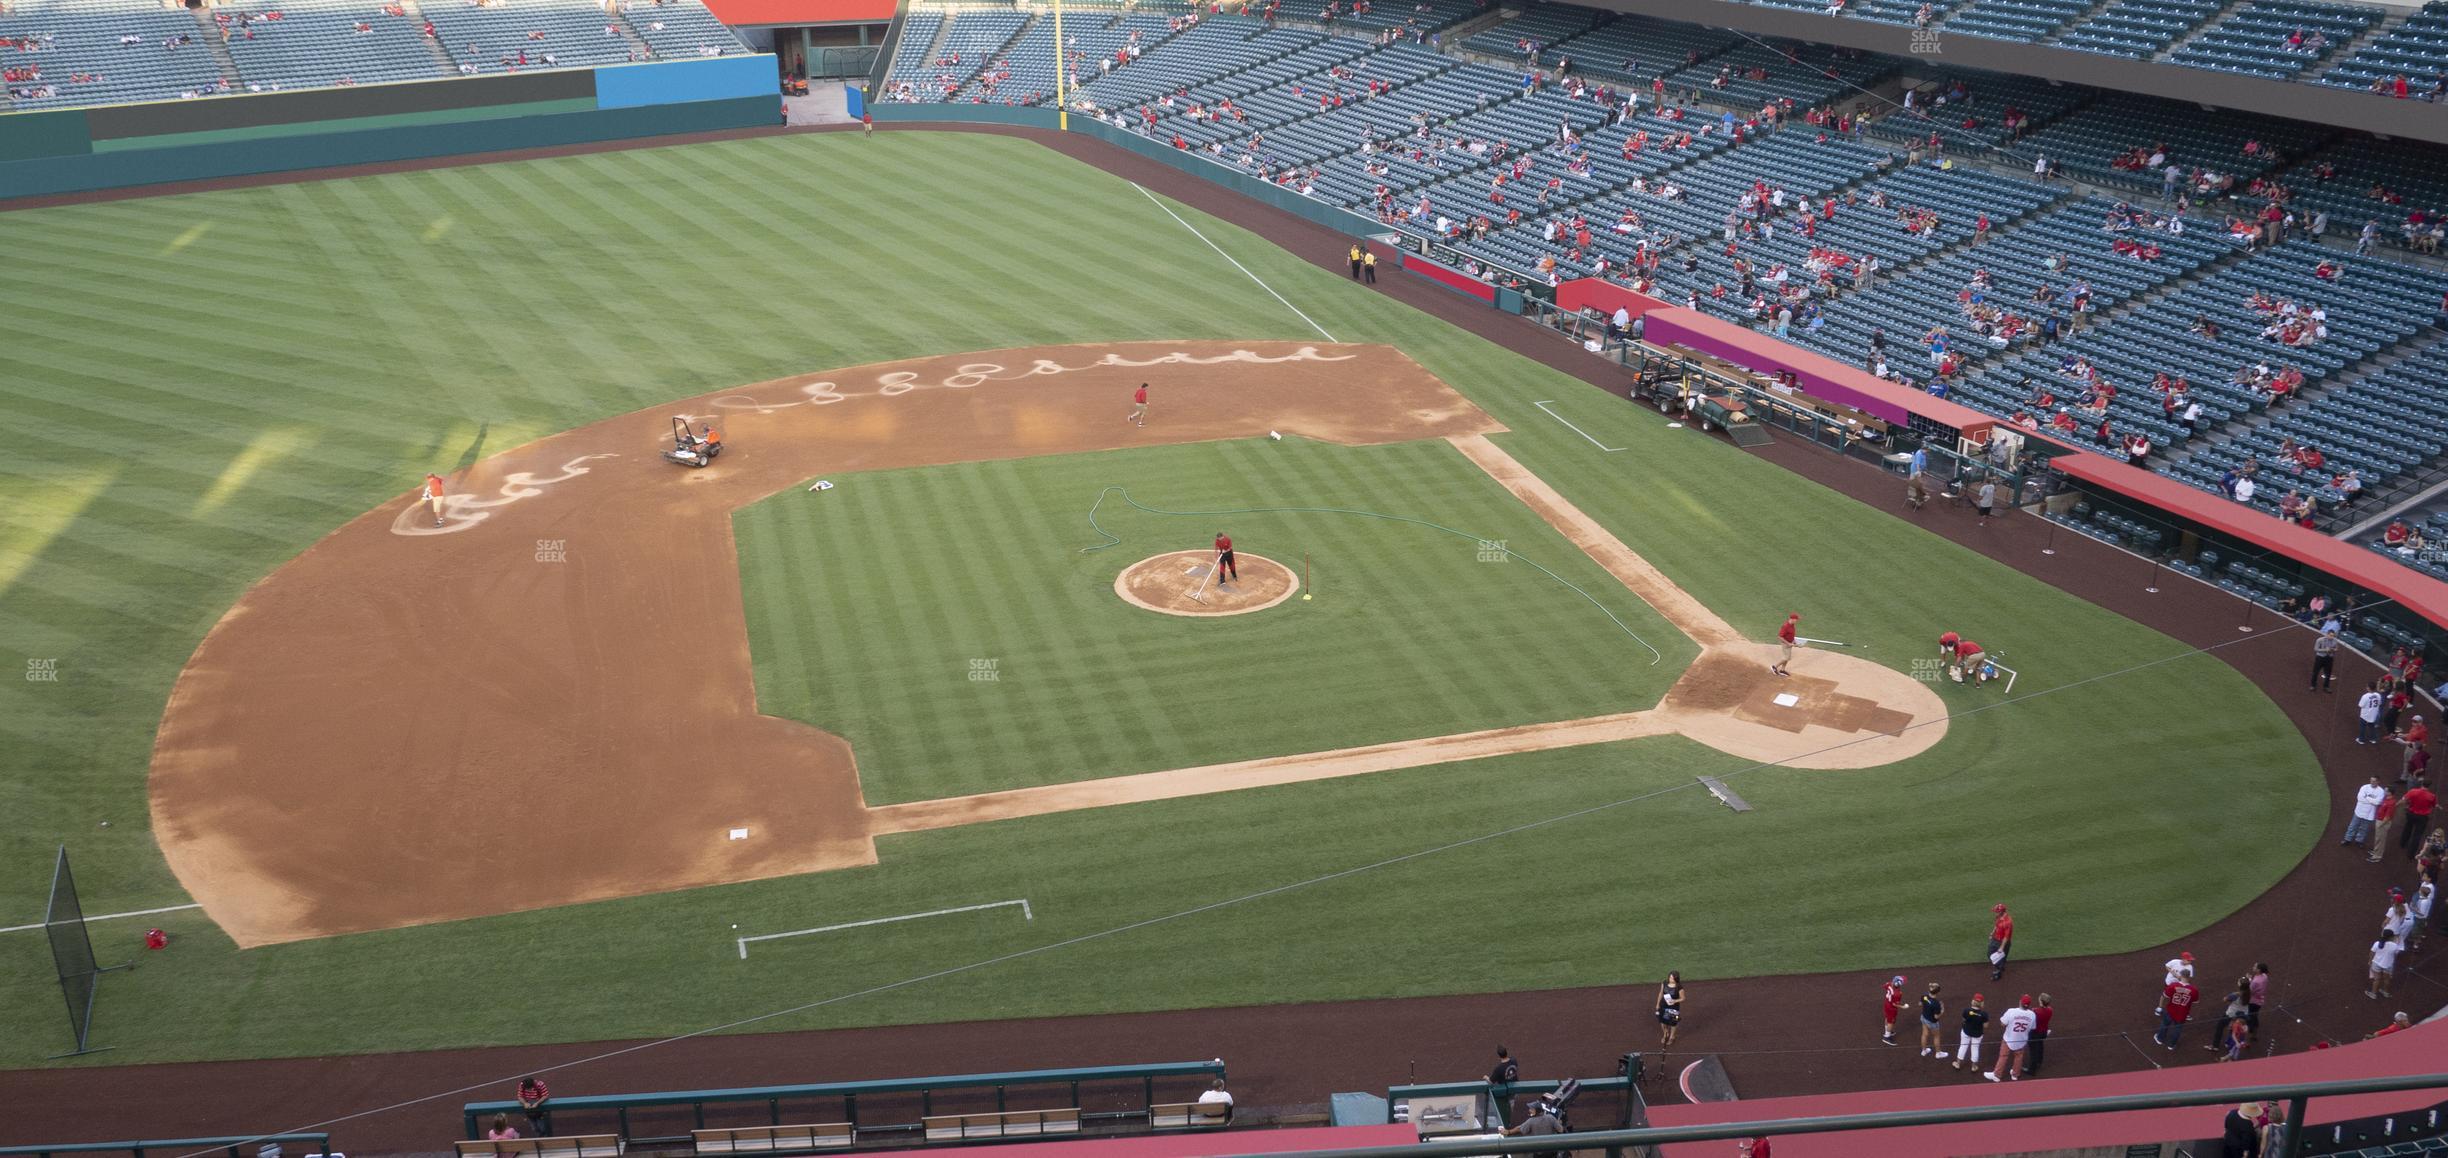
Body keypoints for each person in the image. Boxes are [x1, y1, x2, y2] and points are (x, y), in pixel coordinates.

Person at [1988, 995, 2035, 1081]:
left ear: (2020, 1002)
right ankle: (2015, 1075)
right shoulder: (2032, 1014)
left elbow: (2002, 1023)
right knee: (2019, 1057)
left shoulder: (2011, 1011)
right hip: (2022, 1040)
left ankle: (1997, 1075)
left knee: (2003, 1056)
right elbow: (2032, 1027)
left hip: (2009, 1038)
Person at [2156, 971, 2198, 1049]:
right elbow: (2195, 1001)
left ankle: (2160, 1039)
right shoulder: (2194, 990)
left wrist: (2160, 1006)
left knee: (2165, 1024)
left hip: (2171, 1011)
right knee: (2177, 1029)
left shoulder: (2173, 986)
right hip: (2183, 1013)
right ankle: (2171, 1045)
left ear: (2181, 976)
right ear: (2189, 977)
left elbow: (2164, 996)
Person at [2345, 777, 2388, 846]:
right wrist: (2372, 801)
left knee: (2364, 828)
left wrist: (2366, 797)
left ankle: (2359, 841)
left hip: (2370, 813)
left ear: (2378, 782)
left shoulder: (2381, 791)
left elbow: (2378, 802)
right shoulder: (2364, 787)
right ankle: (2347, 839)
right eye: (2371, 781)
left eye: (2374, 781)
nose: (2372, 782)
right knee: (2353, 826)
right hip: (2359, 811)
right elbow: (2359, 798)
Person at [1952, 994, 1988, 1072]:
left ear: (1973, 1001)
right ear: (1982, 1003)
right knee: (1975, 1049)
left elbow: (1963, 1020)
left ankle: (1958, 1064)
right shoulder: (1984, 1014)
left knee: (1963, 1046)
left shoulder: (1966, 1010)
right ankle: (1974, 1067)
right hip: (1977, 1034)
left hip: (1966, 1031)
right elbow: (1985, 1026)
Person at [2401, 778, 2436, 857]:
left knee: (2407, 828)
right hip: (2422, 817)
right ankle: (2411, 853)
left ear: (2422, 784)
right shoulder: (2431, 796)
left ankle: (2403, 843)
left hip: (2411, 813)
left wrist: (2407, 805)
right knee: (2417, 835)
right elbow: (2433, 805)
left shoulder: (2413, 791)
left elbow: (2404, 799)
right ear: (2429, 786)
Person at [2025, 993, 2055, 1075]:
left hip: (2035, 1032)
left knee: (2033, 1051)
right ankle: (2039, 1062)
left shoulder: (2035, 1011)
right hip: (2043, 1032)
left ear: (2041, 1001)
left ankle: (2032, 1070)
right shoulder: (2050, 1010)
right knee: (2040, 1046)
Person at [1918, 981, 1947, 1057]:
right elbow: (1936, 1017)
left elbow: (1920, 1004)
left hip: (1924, 1017)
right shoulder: (1936, 1003)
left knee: (1924, 1034)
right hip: (1932, 1022)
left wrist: (1927, 1004)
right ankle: (1938, 1053)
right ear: (1937, 992)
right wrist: (1942, 1010)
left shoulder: (1924, 996)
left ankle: (1924, 1051)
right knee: (1936, 1036)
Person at [1657, 972, 1685, 1046]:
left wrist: (1675, 1001)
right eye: (1669, 977)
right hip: (1663, 1005)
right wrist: (1657, 1004)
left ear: (1676, 979)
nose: (1670, 979)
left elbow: (1683, 998)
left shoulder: (1679, 987)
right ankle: (1665, 1033)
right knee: (1662, 1021)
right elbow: (1660, 993)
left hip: (1674, 1008)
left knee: (1673, 1022)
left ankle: (1672, 1037)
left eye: (1672, 978)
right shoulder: (1664, 983)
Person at [2368, 934, 2399, 999]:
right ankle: (2385, 992)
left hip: (2376, 963)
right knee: (2387, 979)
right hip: (2388, 965)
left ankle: (2373, 994)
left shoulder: (2377, 943)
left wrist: (2370, 961)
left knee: (2377, 979)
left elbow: (2372, 953)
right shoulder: (2395, 946)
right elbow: (2395, 955)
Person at [1987, 903, 2013, 979]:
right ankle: (2000, 967)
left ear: (2002, 911)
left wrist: (2002, 947)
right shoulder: (1999, 916)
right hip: (1995, 939)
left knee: (2001, 958)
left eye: (1997, 911)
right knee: (1989, 955)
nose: (1995, 912)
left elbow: (2006, 936)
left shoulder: (2008, 922)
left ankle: (1998, 973)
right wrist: (1992, 932)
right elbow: (1996, 925)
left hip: (2003, 942)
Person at [1772, 613, 1800, 677]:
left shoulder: (1792, 625)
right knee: (1786, 657)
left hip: (1790, 643)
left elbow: (1792, 635)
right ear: (1792, 619)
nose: (1797, 620)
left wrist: (1794, 642)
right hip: (1785, 644)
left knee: (1787, 658)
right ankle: (1774, 667)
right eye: (1796, 619)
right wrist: (1788, 643)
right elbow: (1780, 637)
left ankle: (1782, 670)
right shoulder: (1785, 626)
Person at [1881, 974, 1907, 1045]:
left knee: (1887, 1017)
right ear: (1897, 983)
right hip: (1891, 1008)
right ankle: (1886, 1037)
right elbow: (1895, 1004)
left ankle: (1887, 1031)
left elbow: (1884, 986)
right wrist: (1903, 1007)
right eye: (1901, 982)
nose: (1902, 983)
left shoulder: (1889, 983)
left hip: (1886, 1004)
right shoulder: (1898, 993)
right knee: (1891, 1022)